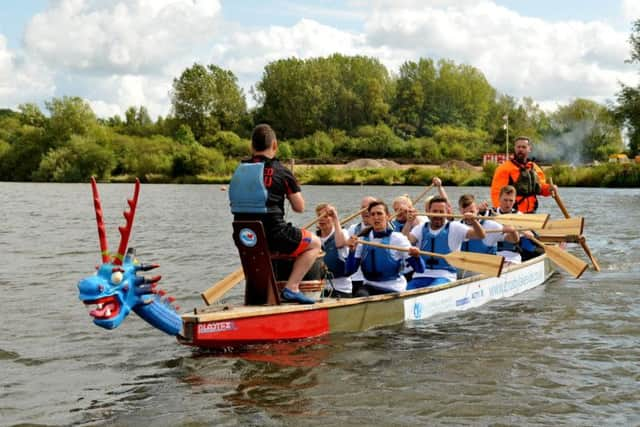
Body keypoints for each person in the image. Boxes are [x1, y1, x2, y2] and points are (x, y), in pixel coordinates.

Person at [228, 124, 321, 304]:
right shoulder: (282, 171)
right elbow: (299, 207)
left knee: (265, 246)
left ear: (251, 147)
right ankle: (291, 288)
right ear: (275, 145)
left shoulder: (239, 171)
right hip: (274, 235)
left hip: (245, 237)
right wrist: (292, 183)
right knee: (315, 243)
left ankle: (260, 296)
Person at [405, 196, 486, 289]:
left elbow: (481, 235)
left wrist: (474, 221)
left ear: (447, 213)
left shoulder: (455, 227)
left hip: (445, 275)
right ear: (429, 212)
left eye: (441, 212)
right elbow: (405, 240)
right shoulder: (421, 228)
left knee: (433, 289)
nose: (438, 215)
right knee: (406, 290)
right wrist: (408, 222)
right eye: (435, 211)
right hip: (420, 275)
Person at [346, 200, 423, 296]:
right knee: (360, 294)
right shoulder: (361, 240)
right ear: (369, 218)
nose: (376, 217)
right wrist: (351, 251)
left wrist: (416, 257)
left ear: (388, 216)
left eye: (379, 214)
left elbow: (420, 269)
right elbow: (349, 272)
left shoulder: (398, 238)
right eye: (372, 214)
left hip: (393, 288)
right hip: (369, 286)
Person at [490, 136, 557, 213]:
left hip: (531, 212)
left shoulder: (534, 168)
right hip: (512, 213)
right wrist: (502, 213)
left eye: (524, 147)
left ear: (529, 149)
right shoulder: (504, 168)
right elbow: (496, 193)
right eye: (518, 147)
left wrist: (550, 189)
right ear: (515, 148)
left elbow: (541, 188)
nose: (520, 149)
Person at [457, 194, 519, 269]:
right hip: (463, 268)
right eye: (465, 213)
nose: (468, 216)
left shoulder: (490, 225)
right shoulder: (456, 226)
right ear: (460, 211)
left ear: (477, 209)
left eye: (471, 212)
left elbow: (514, 240)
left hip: (488, 268)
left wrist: (513, 231)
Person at [315, 203, 352, 298]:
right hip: (320, 288)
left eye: (326, 216)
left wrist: (335, 218)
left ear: (332, 219)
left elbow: (339, 244)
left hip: (340, 289)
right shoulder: (314, 238)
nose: (322, 219)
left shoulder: (342, 233)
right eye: (319, 216)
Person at [346, 196, 377, 293]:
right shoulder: (353, 229)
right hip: (354, 277)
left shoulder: (384, 230)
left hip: (374, 279)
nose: (365, 210)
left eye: (368, 207)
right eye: (362, 208)